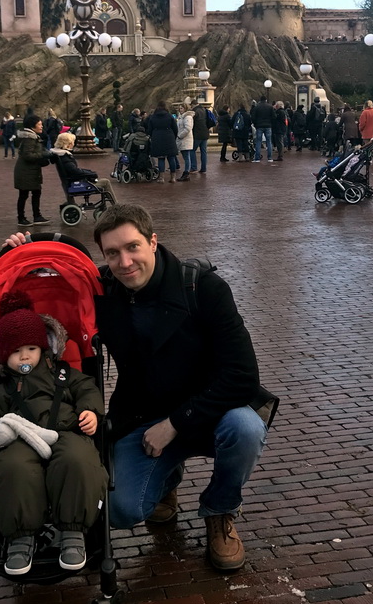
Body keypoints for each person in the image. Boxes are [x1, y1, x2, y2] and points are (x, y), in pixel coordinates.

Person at [92, 204, 272, 572]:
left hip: (210, 411)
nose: (124, 262)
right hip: (142, 412)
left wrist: (175, 423)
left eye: (132, 247)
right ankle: (165, 482)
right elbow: (50, 286)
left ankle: (220, 512)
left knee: (247, 428)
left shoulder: (202, 287)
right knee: (122, 511)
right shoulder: (104, 290)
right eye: (112, 253)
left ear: (153, 241)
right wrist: (14, 252)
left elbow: (242, 375)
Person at [0, 292, 107, 575]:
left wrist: (90, 410)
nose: (25, 355)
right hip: (20, 438)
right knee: (12, 466)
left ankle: (74, 532)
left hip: (65, 432)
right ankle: (20, 537)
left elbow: (87, 389)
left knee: (77, 459)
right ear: (5, 357)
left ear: (45, 347)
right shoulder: (3, 392)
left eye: (31, 348)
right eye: (16, 352)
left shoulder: (63, 375)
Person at [49, 132, 116, 201]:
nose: (73, 144)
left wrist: (88, 172)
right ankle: (116, 205)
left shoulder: (60, 156)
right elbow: (75, 171)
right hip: (76, 184)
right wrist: (92, 174)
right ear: (68, 144)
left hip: (70, 182)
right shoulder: (65, 157)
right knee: (105, 182)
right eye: (72, 142)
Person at [14, 114, 51, 226]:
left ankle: (37, 216)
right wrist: (44, 154)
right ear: (32, 126)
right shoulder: (29, 138)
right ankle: (22, 218)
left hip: (30, 171)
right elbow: (28, 156)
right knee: (24, 194)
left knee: (36, 192)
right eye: (39, 124)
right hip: (26, 171)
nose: (41, 126)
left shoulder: (32, 137)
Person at [146, 101, 179, 183]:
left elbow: (149, 130)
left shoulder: (153, 117)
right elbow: (175, 128)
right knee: (171, 158)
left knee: (161, 158)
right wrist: (173, 136)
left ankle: (161, 177)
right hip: (169, 137)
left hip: (157, 138)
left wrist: (152, 135)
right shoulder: (169, 116)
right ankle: (173, 177)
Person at [251, 96, 274, 163]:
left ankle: (257, 158)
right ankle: (269, 158)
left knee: (258, 141)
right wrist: (270, 123)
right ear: (266, 100)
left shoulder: (257, 107)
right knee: (269, 141)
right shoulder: (270, 107)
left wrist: (255, 124)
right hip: (268, 126)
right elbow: (274, 116)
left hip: (259, 126)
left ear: (260, 100)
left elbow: (253, 117)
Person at [176, 103, 195, 181]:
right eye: (179, 108)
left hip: (185, 139)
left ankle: (186, 173)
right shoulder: (181, 117)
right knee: (186, 157)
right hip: (182, 139)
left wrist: (180, 135)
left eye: (182, 108)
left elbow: (187, 128)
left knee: (187, 157)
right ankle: (186, 172)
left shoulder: (187, 117)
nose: (180, 110)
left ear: (185, 109)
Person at [191, 102, 210, 173]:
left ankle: (193, 167)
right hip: (205, 134)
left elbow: (192, 123)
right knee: (204, 152)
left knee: (192, 150)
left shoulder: (194, 112)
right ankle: (203, 168)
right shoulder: (204, 110)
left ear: (193, 105)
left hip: (197, 134)